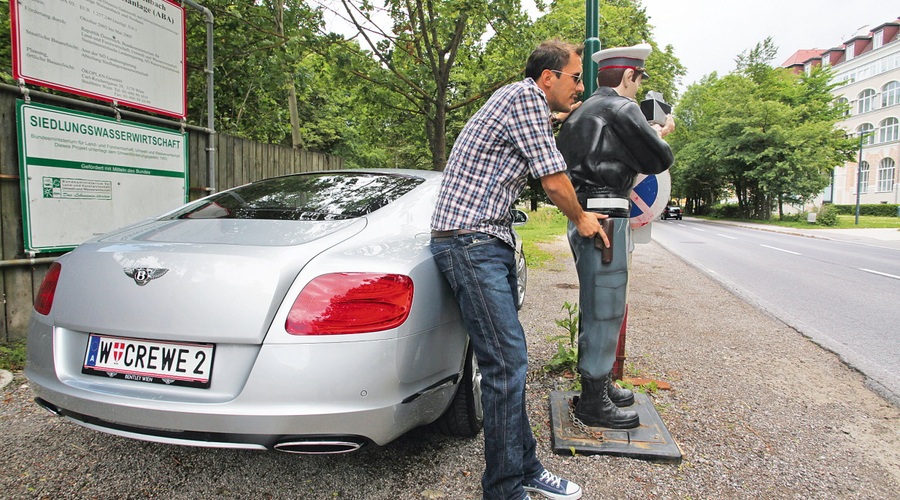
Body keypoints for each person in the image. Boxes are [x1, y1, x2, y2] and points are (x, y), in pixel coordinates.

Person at [430, 40, 607, 500]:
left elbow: (551, 126)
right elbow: (552, 176)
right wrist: (582, 218)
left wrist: (574, 115)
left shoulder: (519, 103)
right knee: (505, 364)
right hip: (472, 243)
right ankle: (504, 490)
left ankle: (524, 467)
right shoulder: (523, 97)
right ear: (547, 77)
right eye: (575, 78)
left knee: (510, 362)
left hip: (488, 240)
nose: (580, 87)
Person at [556, 43, 675, 429]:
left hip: (585, 215)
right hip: (607, 216)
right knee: (606, 309)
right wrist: (659, 132)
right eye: (638, 80)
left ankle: (599, 385)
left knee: (597, 306)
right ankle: (593, 401)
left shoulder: (582, 112)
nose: (638, 89)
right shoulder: (620, 108)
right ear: (628, 76)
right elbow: (658, 160)